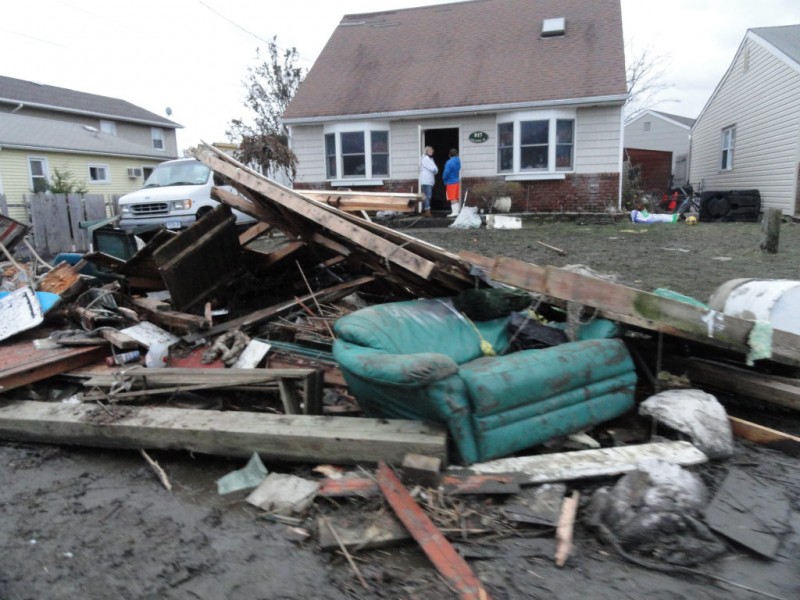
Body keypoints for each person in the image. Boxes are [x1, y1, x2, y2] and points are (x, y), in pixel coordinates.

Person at [419, 146, 438, 217]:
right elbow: (434, 169)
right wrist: (435, 169)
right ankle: (427, 211)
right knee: (427, 196)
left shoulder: (430, 159)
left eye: (432, 150)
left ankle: (427, 210)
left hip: (429, 181)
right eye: (431, 150)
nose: (432, 151)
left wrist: (435, 169)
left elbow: (436, 169)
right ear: (427, 151)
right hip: (426, 180)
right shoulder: (425, 159)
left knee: (427, 196)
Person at [443, 148, 462, 217]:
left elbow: (446, 173)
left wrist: (444, 179)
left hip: (450, 182)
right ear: (457, 154)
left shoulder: (449, 162)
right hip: (457, 181)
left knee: (452, 197)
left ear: (449, 155)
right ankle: (457, 211)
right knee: (456, 197)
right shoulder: (458, 161)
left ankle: (454, 212)